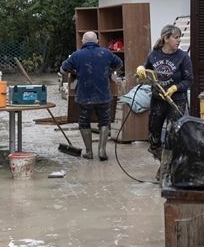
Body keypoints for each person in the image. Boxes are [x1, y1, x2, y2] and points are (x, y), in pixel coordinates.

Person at [136, 24, 193, 177]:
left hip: (176, 101)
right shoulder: (154, 55)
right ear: (166, 38)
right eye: (176, 37)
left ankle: (166, 170)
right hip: (158, 99)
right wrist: (141, 70)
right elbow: (147, 72)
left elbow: (189, 80)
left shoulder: (183, 57)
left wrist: (175, 88)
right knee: (153, 135)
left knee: (172, 134)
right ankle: (164, 162)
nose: (179, 40)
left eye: (180, 37)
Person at [60, 31, 123, 161]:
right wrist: (109, 72)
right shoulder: (106, 53)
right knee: (104, 121)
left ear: (83, 42)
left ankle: (89, 152)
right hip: (104, 95)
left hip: (84, 96)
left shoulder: (77, 55)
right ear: (97, 41)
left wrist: (76, 71)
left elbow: (63, 69)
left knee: (84, 122)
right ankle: (102, 150)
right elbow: (119, 64)